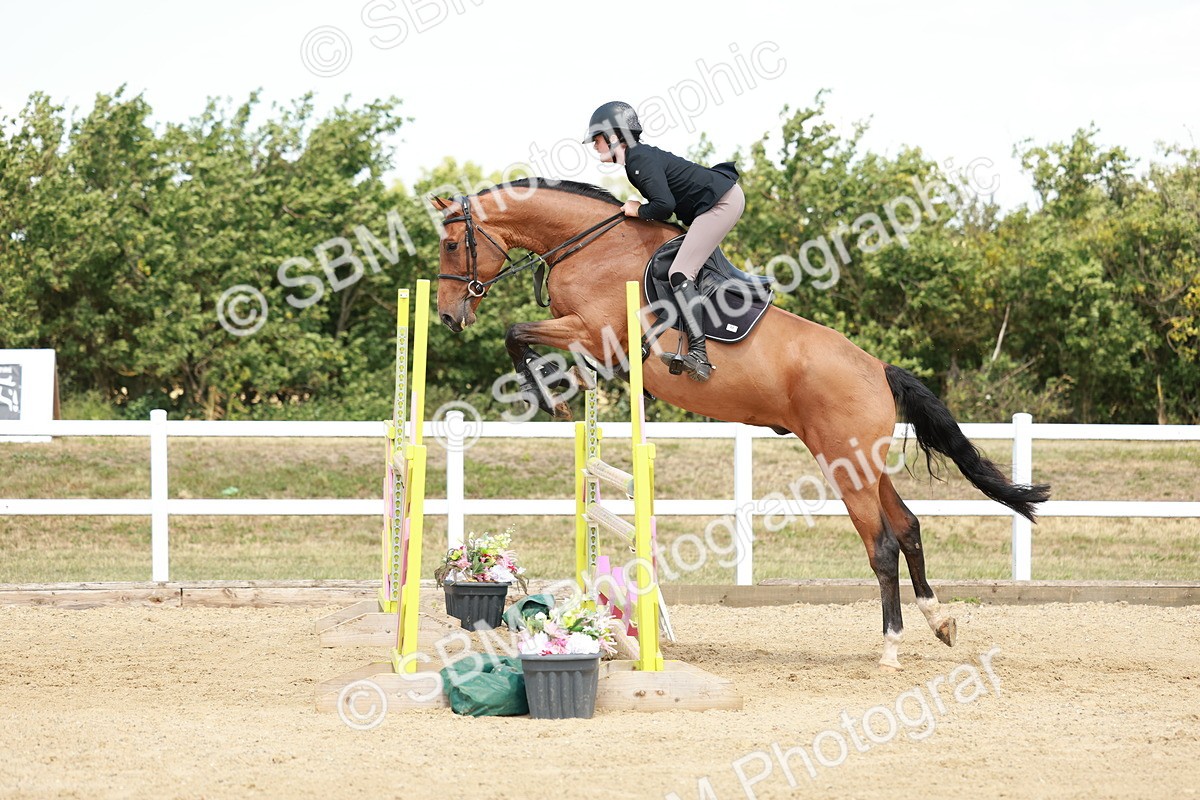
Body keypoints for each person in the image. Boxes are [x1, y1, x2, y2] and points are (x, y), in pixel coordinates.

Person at [584, 101, 744, 382]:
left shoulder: (638, 160)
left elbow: (663, 206)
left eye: (596, 139)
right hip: (718, 202)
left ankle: (699, 355)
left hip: (721, 203)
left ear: (613, 136)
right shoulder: (636, 159)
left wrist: (637, 210)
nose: (594, 146)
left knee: (680, 272)